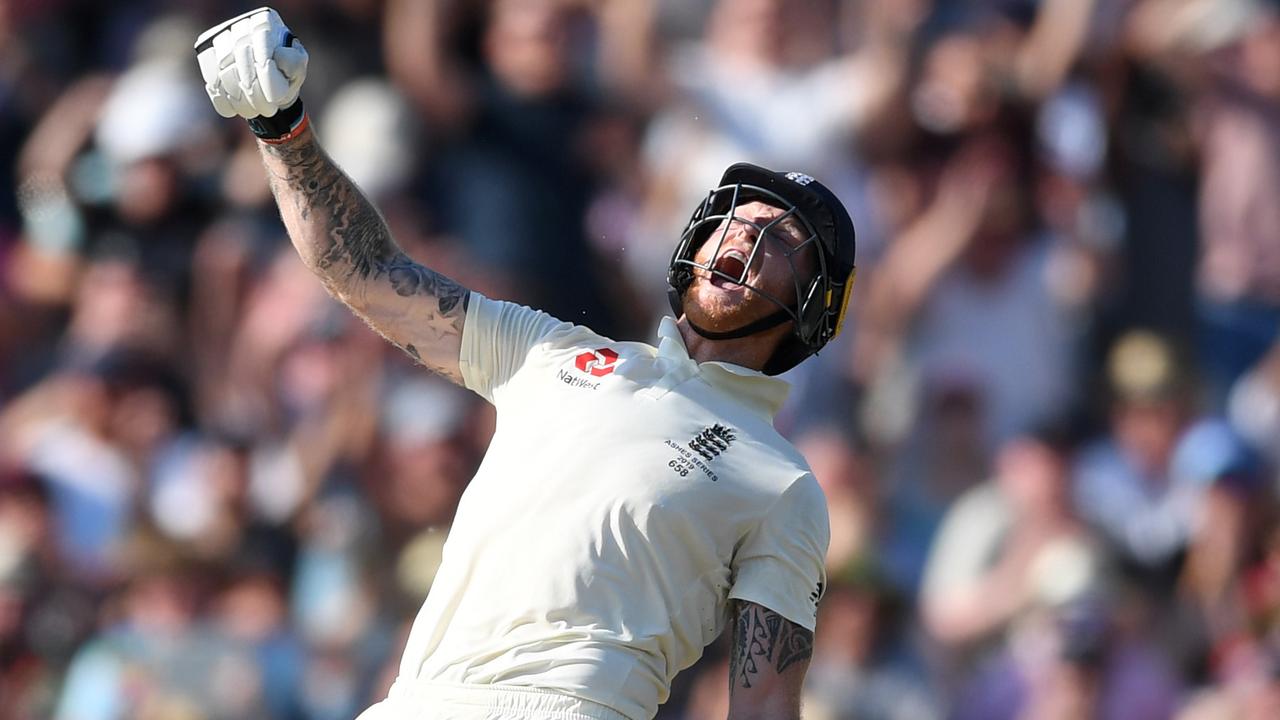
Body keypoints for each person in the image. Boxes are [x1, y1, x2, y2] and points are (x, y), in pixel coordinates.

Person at [193, 7, 857, 720]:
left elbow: (764, 704)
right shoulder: (553, 351)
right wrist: (282, 130)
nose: (746, 237)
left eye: (780, 237)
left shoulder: (779, 482)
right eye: (737, 220)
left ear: (814, 304)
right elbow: (365, 272)